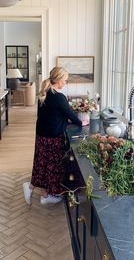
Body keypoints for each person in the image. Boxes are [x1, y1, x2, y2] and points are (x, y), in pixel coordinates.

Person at [23, 66, 83, 205]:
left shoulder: (45, 92)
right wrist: (82, 122)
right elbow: (70, 115)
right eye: (65, 80)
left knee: (42, 165)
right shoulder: (59, 97)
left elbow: (47, 115)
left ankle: (45, 194)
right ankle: (36, 189)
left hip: (42, 135)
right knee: (54, 166)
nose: (66, 83)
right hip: (53, 137)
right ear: (60, 80)